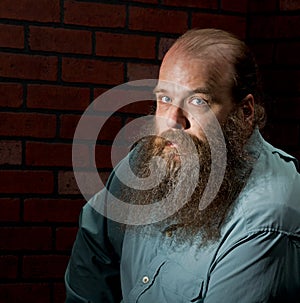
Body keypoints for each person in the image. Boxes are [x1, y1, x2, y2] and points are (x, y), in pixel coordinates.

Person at [65, 29, 300, 302]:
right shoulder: (151, 155)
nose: (173, 121)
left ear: (244, 113)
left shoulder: (267, 219)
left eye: (197, 101)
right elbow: (95, 249)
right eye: (165, 99)